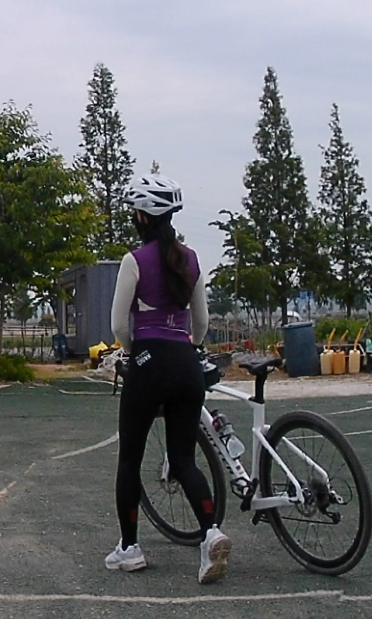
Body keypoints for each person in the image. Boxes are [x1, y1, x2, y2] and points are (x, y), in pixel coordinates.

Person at [103, 174, 230, 584]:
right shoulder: (191, 260)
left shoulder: (134, 261)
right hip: (187, 365)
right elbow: (202, 323)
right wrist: (186, 347)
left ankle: (130, 548)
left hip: (149, 363)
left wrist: (134, 352)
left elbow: (119, 325)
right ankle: (211, 533)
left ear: (143, 216)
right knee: (184, 459)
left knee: (130, 458)